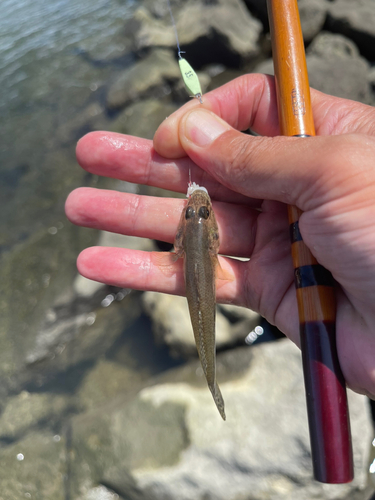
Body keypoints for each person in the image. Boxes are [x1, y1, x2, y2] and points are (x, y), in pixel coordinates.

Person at [65, 73, 375, 399]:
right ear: (215, 238)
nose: (196, 207)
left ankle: (212, 379)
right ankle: (210, 381)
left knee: (204, 327)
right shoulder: (208, 235)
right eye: (193, 213)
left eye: (197, 213)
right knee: (202, 327)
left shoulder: (188, 240)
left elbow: (179, 250)